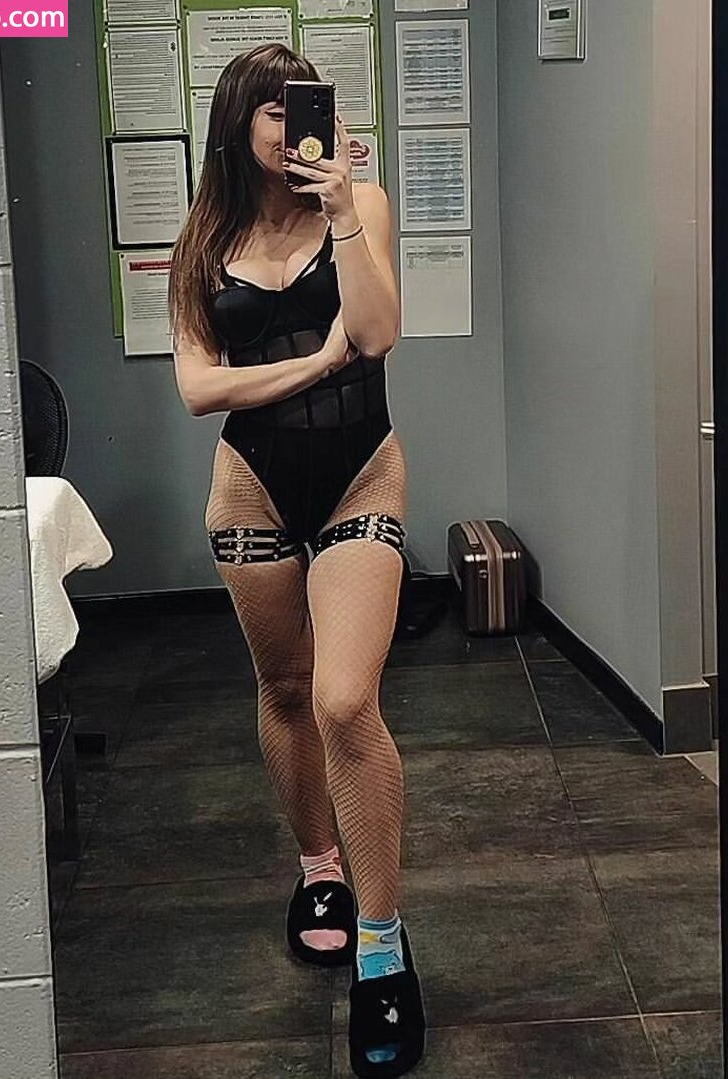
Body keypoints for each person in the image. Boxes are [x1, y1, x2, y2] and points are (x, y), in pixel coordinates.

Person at [167, 42, 425, 1079]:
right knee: (283, 685)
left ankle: (382, 943)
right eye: (272, 111)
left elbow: (381, 331)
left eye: (303, 106)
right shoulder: (204, 238)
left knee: (345, 699)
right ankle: (319, 867)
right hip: (253, 486)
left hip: (361, 471)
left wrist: (345, 213)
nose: (292, 126)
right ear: (237, 124)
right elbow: (198, 388)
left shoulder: (362, 202)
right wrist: (314, 362)